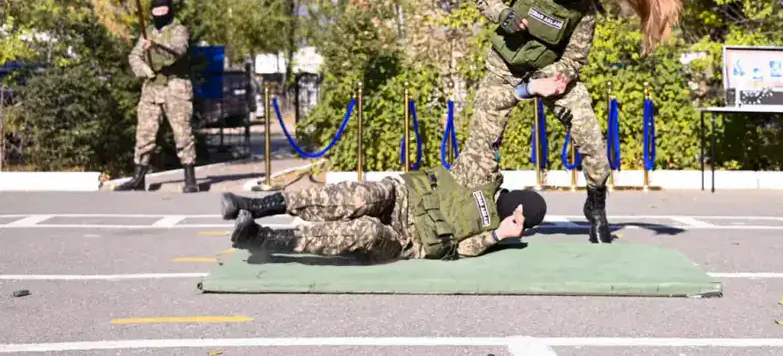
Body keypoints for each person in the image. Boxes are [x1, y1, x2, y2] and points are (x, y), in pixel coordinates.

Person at [464, 0, 681, 243]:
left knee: (592, 141)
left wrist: (555, 78)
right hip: (504, 68)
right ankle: (479, 210)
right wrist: (505, 15)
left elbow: (575, 59)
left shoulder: (584, 10)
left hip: (549, 72)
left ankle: (596, 206)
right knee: (480, 148)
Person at [219, 102, 559, 259]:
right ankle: (256, 206)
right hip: (401, 196)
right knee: (364, 196)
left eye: (525, 221)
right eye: (521, 212)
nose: (519, 218)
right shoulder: (482, 174)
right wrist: (525, 90)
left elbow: (462, 250)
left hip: (406, 240)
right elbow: (487, 129)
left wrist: (499, 234)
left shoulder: (494, 234)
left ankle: (262, 239)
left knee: (365, 231)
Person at [116, 0, 199, 193]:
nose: (160, 14)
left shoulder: (178, 30)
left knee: (182, 134)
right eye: (156, 11)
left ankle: (190, 178)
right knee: (144, 134)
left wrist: (156, 47)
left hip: (176, 88)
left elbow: (178, 51)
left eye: (163, 10)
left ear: (169, 10)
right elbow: (134, 56)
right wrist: (146, 71)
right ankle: (138, 177)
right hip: (152, 88)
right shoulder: (148, 32)